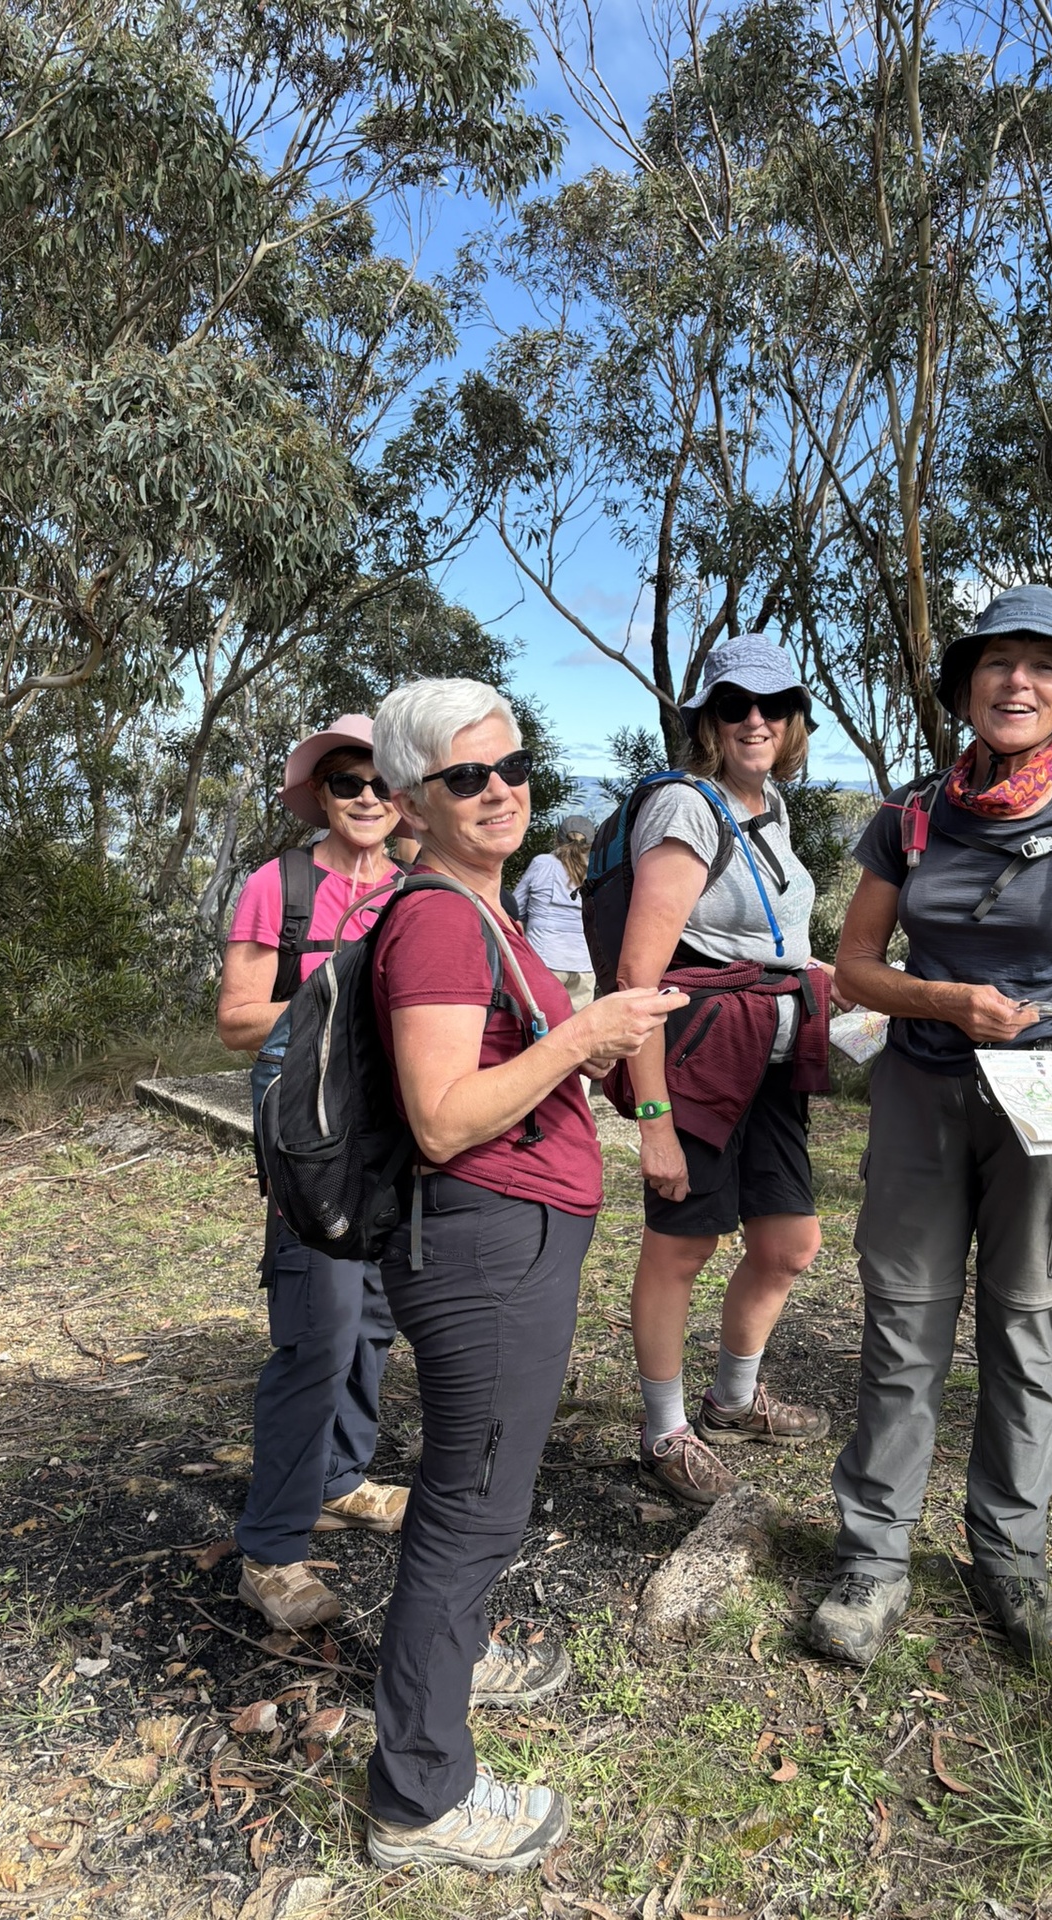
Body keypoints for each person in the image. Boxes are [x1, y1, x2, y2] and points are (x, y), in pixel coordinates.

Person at [812, 586, 1052, 1667]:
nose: (1017, 682)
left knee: (1026, 1333)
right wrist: (945, 1002)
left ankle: (1010, 1561)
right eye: (996, 663)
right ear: (967, 685)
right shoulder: (910, 816)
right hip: (923, 1095)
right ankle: (874, 1560)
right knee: (904, 1330)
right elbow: (854, 968)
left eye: (1044, 667)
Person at [363, 678, 687, 1874]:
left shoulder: (479, 906)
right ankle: (419, 1796)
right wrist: (586, 1036)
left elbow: (515, 1067)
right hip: (482, 1245)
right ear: (410, 803)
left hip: (508, 1237)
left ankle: (454, 1665)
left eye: (511, 767)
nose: (499, 790)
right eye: (466, 777)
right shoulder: (442, 922)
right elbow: (443, 1118)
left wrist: (597, 1052)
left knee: (479, 1492)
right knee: (473, 1505)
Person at [616, 634, 847, 1509]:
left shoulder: (769, 803)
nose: (756, 720)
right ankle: (663, 1431)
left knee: (789, 1245)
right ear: (708, 720)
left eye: (773, 705)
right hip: (701, 1060)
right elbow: (639, 977)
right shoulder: (686, 808)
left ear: (794, 720)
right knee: (682, 1246)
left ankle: (733, 1400)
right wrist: (654, 1123)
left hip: (772, 1061)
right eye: (734, 705)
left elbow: (766, 941)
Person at [217, 715, 407, 1634]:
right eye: (346, 783)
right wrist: (335, 986)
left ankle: (341, 1477)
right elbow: (236, 1022)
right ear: (319, 797)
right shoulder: (280, 886)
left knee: (374, 1313)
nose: (366, 797)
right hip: (309, 1132)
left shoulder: (417, 887)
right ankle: (271, 1550)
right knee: (319, 1325)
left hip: (394, 1122)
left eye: (381, 782)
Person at [513, 814, 597, 1013]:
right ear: (590, 846)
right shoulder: (594, 871)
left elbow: (514, 908)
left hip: (543, 959)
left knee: (541, 1024)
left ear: (557, 839)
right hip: (584, 963)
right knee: (579, 1028)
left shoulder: (542, 863)